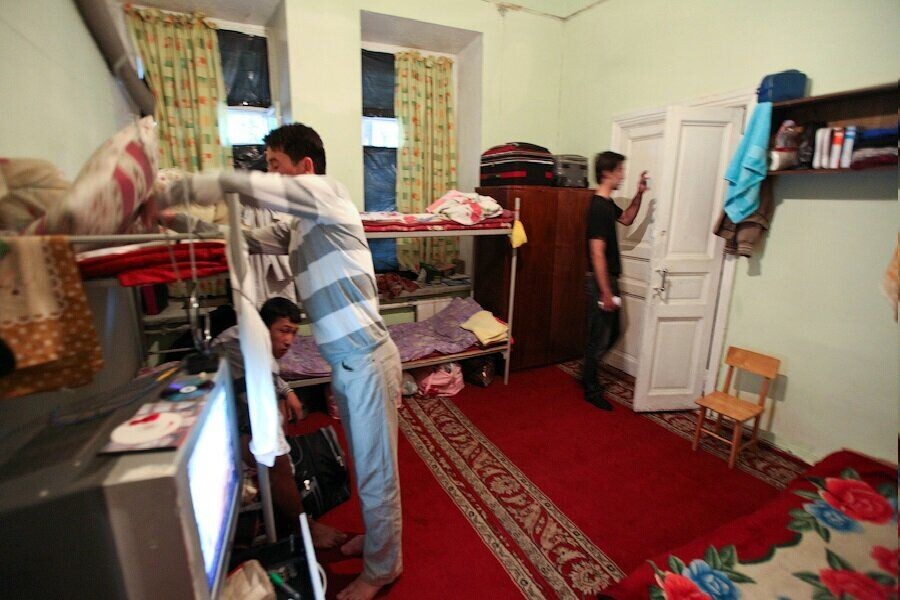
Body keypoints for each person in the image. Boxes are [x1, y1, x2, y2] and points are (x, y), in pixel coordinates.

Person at [156, 123, 403, 600]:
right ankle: (379, 544)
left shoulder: (329, 194)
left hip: (367, 358)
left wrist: (181, 188)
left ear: (305, 168)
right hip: (347, 362)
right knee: (368, 467)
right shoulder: (300, 226)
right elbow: (241, 237)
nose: (269, 175)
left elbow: (246, 186)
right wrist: (177, 220)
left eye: (275, 165)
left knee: (377, 475)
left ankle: (383, 568)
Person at [212, 297, 344, 548]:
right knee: (275, 454)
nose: (289, 341)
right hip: (227, 418)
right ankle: (304, 528)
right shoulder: (238, 349)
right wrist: (277, 448)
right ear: (264, 327)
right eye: (284, 331)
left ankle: (282, 482)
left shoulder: (253, 342)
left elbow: (270, 376)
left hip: (238, 405)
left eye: (293, 333)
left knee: (280, 405)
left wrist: (287, 391)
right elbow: (255, 405)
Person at [583, 151, 647, 410]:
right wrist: (606, 291)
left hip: (608, 279)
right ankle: (590, 387)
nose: (623, 174)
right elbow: (596, 252)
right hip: (602, 280)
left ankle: (587, 374)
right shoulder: (598, 207)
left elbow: (627, 218)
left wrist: (639, 194)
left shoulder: (607, 204)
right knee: (600, 337)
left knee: (610, 332)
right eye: (619, 170)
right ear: (607, 172)